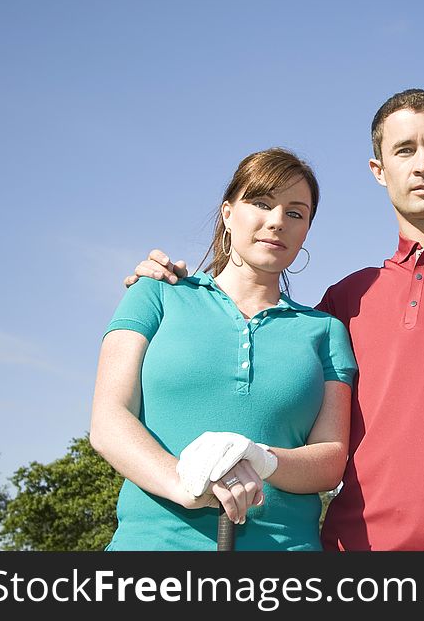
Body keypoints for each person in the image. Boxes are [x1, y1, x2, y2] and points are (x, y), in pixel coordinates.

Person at [126, 90, 424, 551]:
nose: (422, 163)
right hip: (350, 550)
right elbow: (259, 330)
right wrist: (182, 288)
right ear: (379, 170)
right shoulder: (345, 299)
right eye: (404, 150)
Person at [92, 148, 357, 550]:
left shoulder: (324, 330)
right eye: (262, 203)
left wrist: (262, 457)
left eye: (295, 213)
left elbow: (331, 458)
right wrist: (183, 483)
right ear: (228, 213)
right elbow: (109, 419)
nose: (276, 222)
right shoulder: (156, 294)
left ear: (306, 231)